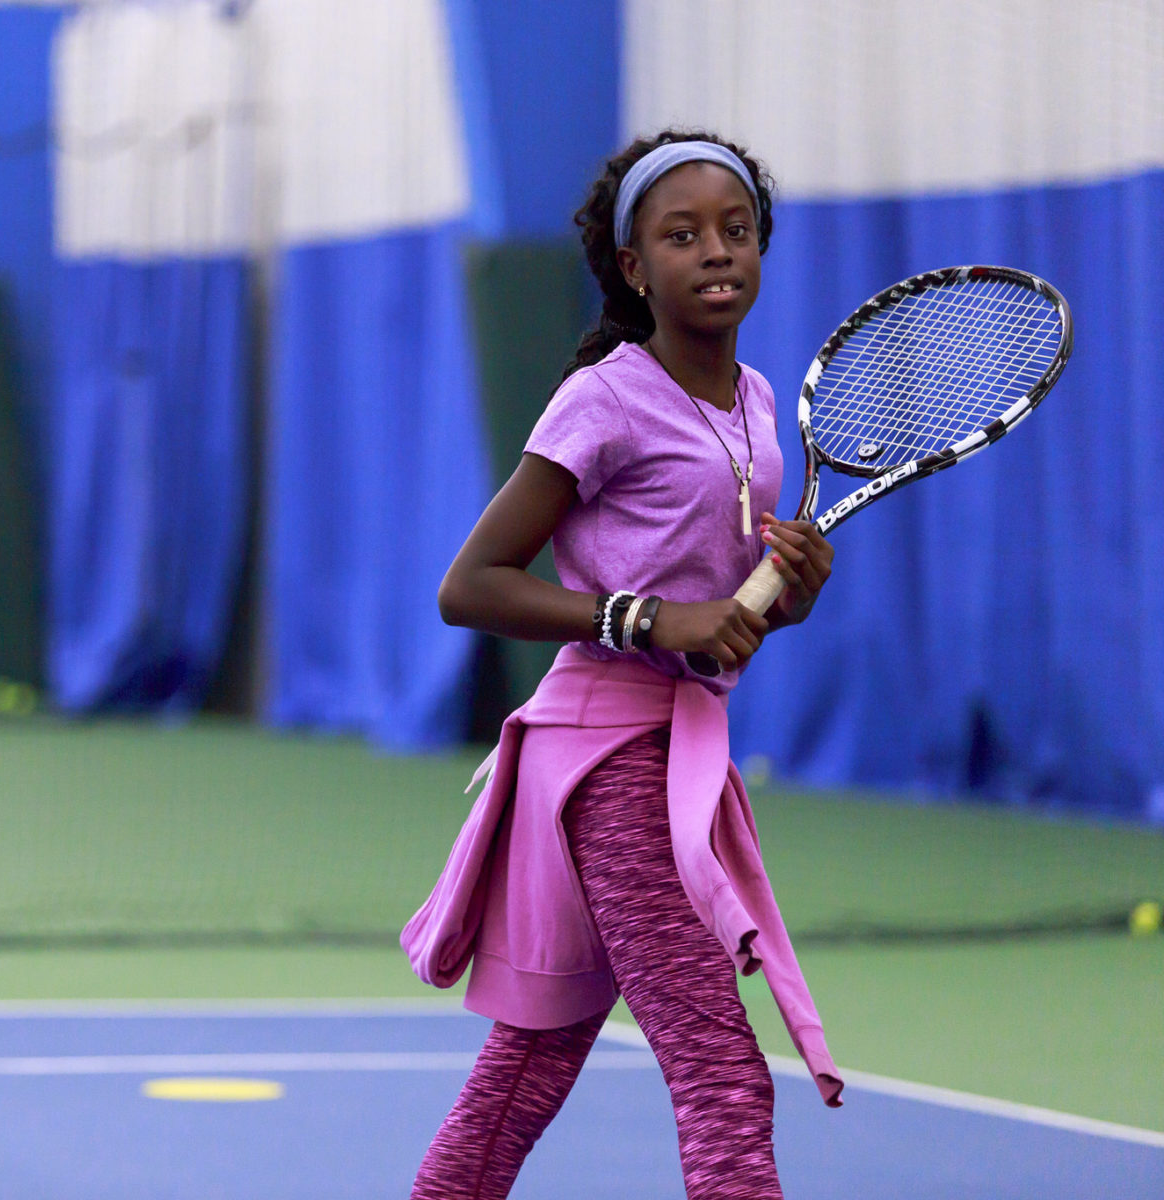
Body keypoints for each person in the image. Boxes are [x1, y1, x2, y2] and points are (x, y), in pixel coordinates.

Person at [402, 131, 842, 1199]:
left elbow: (721, 621)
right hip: (605, 764)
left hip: (678, 751)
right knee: (724, 1078)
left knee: (532, 1062)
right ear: (634, 267)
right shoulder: (604, 397)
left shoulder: (758, 408)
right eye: (681, 236)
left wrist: (788, 598)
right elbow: (473, 584)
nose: (715, 253)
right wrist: (651, 621)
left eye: (736, 231)